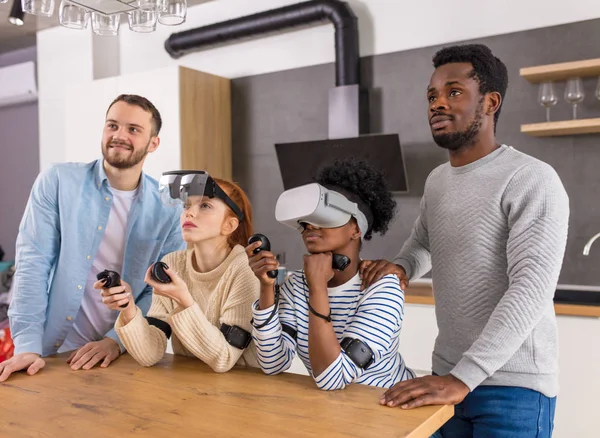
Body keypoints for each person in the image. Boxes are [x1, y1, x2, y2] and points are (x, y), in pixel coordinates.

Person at [360, 44, 569, 437]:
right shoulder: (438, 180)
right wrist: (401, 267)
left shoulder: (530, 178)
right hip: (447, 377)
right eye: (432, 96)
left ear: (490, 102)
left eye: (453, 92)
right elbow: (424, 241)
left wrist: (464, 378)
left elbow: (531, 289)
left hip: (513, 389)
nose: (438, 104)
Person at [0, 94, 185, 382]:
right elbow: (33, 265)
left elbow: (159, 293)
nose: (119, 135)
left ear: (153, 143)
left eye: (133, 129)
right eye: (112, 125)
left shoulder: (169, 209)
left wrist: (116, 340)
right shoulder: (58, 181)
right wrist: (27, 346)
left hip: (122, 358)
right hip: (51, 353)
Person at [247, 158, 414, 390]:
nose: (310, 226)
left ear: (356, 228)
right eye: (305, 221)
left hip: (389, 410)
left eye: (324, 216)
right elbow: (272, 362)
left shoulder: (382, 287)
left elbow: (333, 378)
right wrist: (266, 288)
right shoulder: (296, 285)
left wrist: (318, 289)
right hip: (334, 412)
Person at [102, 176, 260, 372]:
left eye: (205, 206)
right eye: (187, 205)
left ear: (229, 225)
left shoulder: (245, 268)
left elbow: (224, 358)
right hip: (188, 386)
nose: (189, 213)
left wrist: (184, 301)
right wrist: (128, 308)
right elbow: (149, 354)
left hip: (243, 389)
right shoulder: (173, 263)